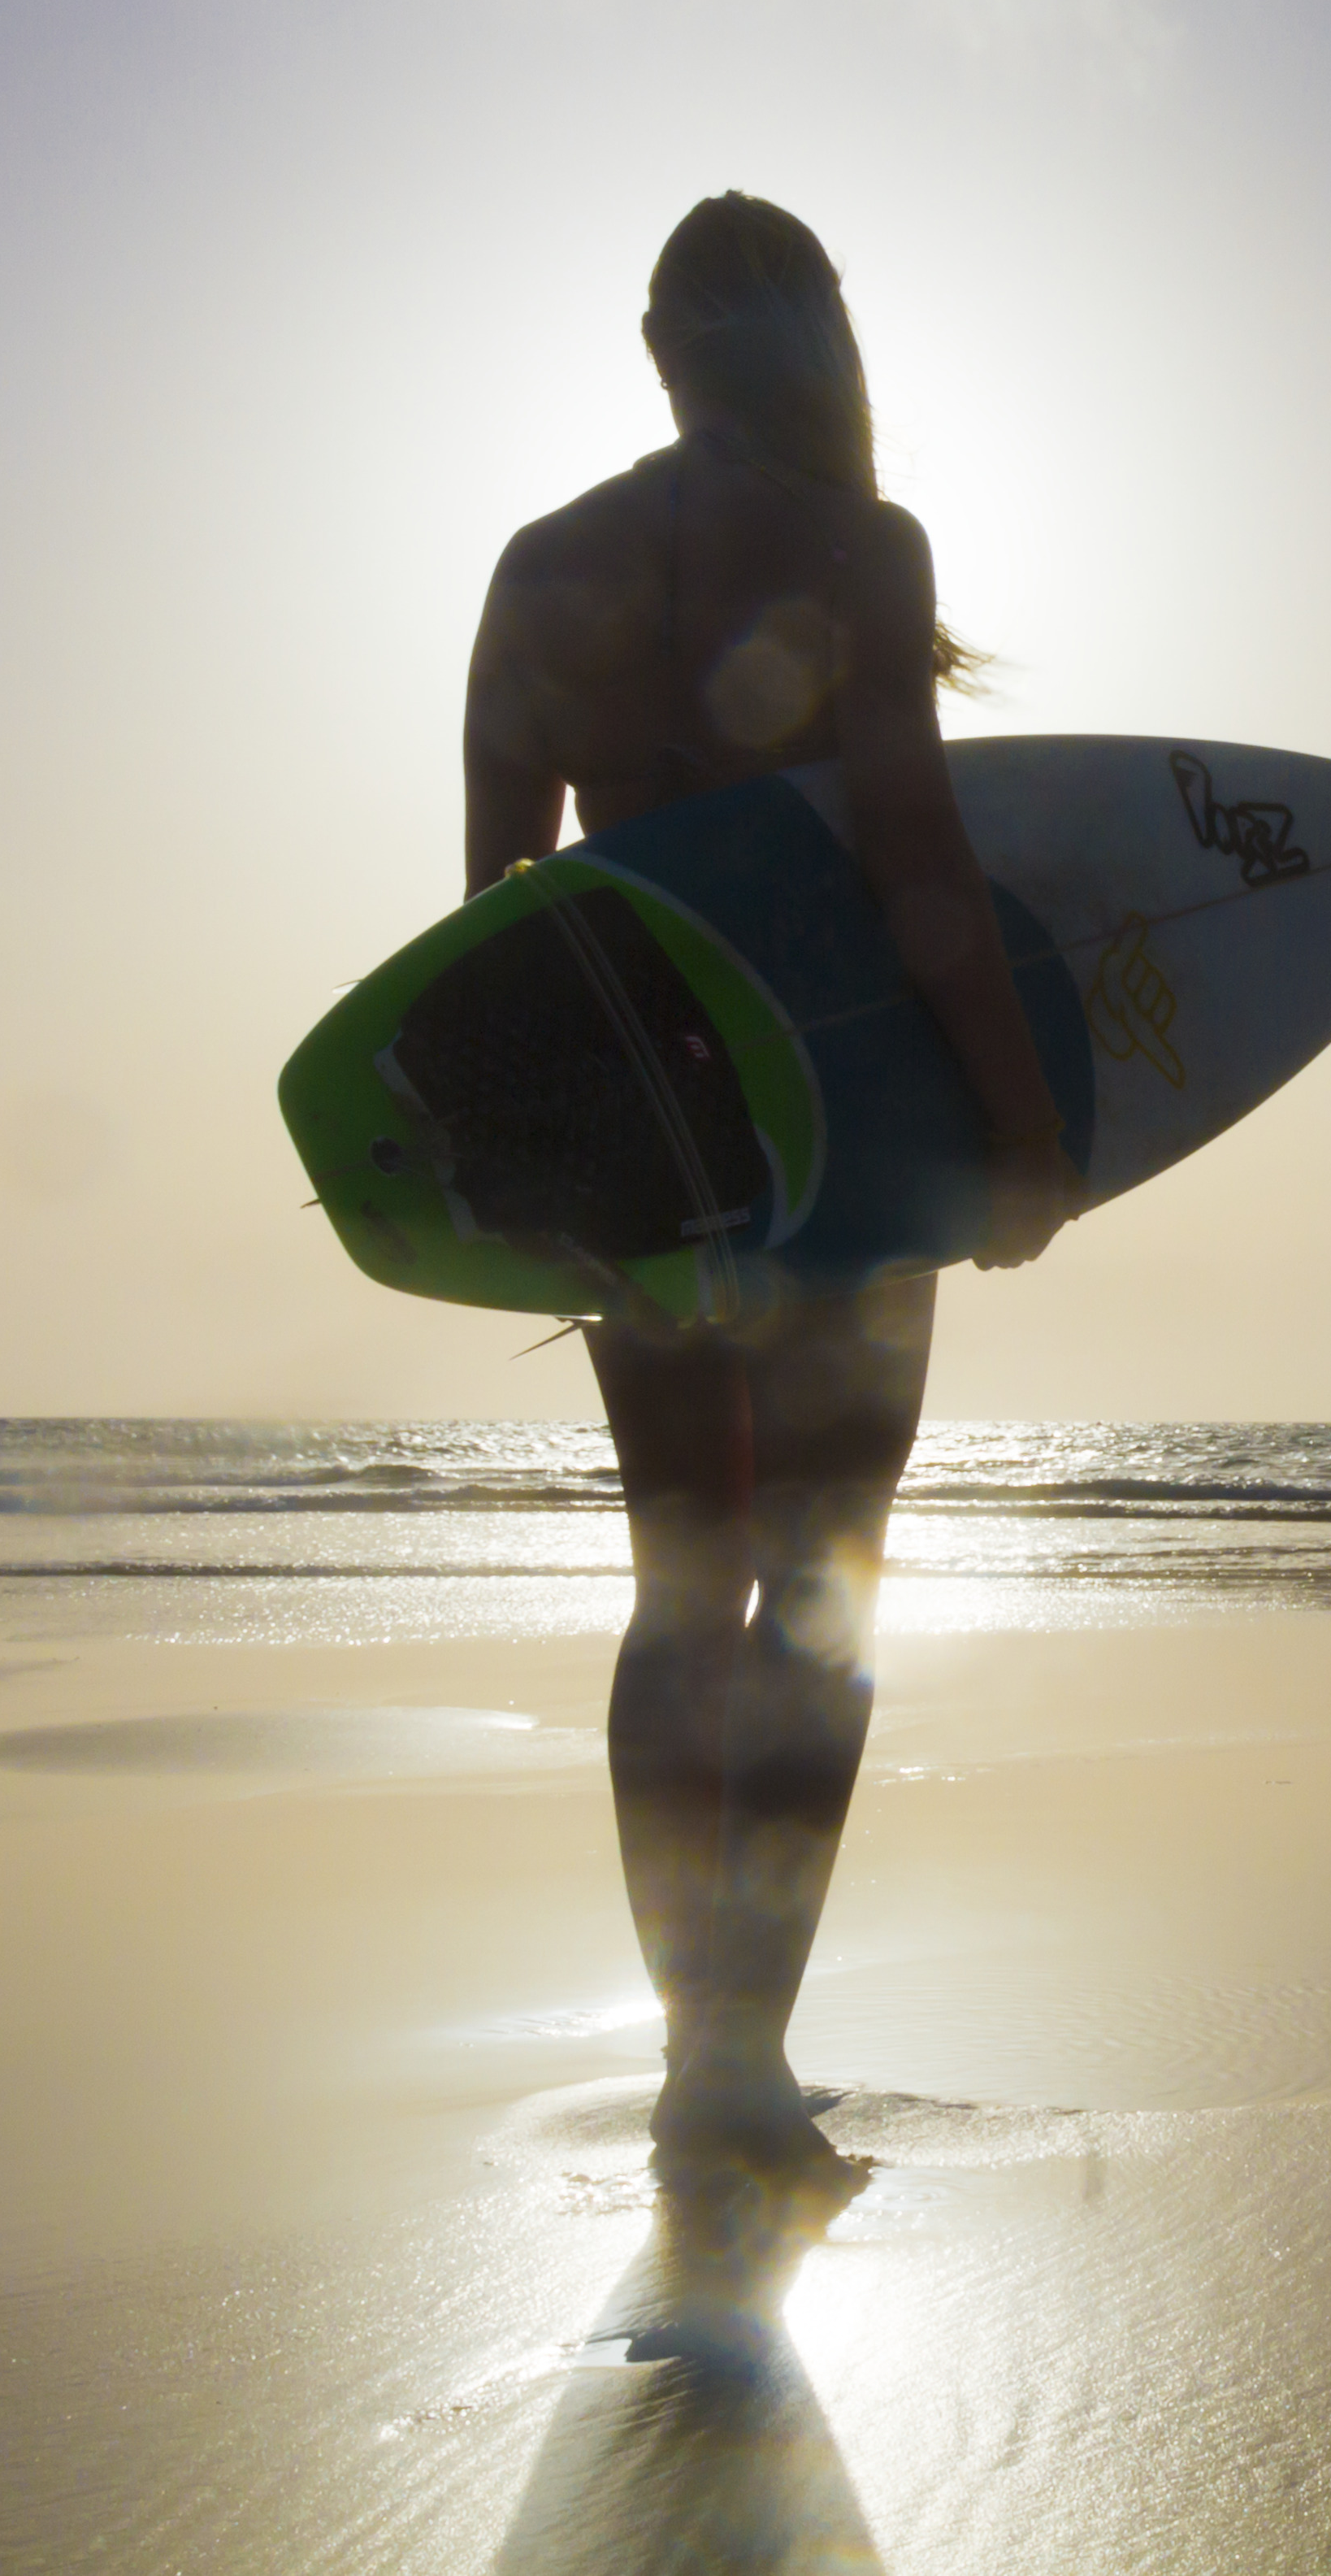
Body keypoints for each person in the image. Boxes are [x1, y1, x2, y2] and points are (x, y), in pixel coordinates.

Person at [460, 193, 1075, 2185]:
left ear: (659, 350)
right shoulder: (853, 548)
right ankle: (751, 2059)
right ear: (817, 346)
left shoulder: (538, 567)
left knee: (679, 1592)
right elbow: (914, 859)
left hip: (642, 1143)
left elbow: (486, 923)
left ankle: (690, 2061)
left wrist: (538, 1181)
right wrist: (1021, 1125)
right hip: (842, 1132)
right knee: (814, 1596)